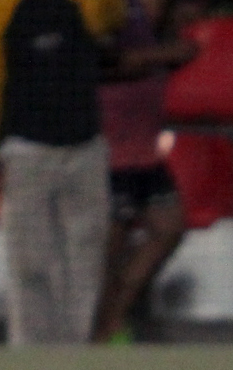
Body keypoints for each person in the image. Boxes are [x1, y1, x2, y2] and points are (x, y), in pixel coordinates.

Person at [0, 0, 124, 344]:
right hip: (26, 153)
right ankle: (31, 355)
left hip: (85, 149)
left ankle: (78, 353)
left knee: (86, 262)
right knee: (28, 264)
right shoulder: (3, 8)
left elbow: (110, 18)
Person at [92, 0, 198, 343]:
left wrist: (169, 52)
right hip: (111, 156)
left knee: (169, 228)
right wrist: (163, 55)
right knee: (108, 252)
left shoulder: (160, 32)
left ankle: (114, 319)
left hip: (147, 155)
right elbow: (109, 63)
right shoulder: (109, 16)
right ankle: (96, 334)